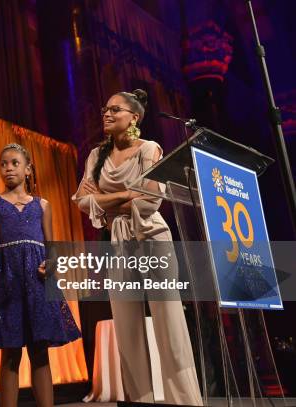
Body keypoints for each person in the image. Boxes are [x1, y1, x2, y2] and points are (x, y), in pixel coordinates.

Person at [72, 89, 203, 405]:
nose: (106, 113)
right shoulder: (95, 156)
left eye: (114, 109)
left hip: (151, 237)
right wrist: (124, 196)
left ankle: (184, 401)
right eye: (105, 108)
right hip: (117, 241)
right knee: (127, 328)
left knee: (168, 322)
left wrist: (103, 200)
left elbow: (151, 199)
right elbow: (80, 201)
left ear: (134, 117)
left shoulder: (149, 148)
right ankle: (140, 400)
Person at [0, 143, 81, 407]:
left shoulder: (42, 205)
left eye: (14, 163)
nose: (8, 168)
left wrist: (51, 265)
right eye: (3, 164)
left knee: (39, 351)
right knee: (10, 352)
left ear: (28, 169)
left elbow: (51, 248)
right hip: (7, 280)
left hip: (38, 282)